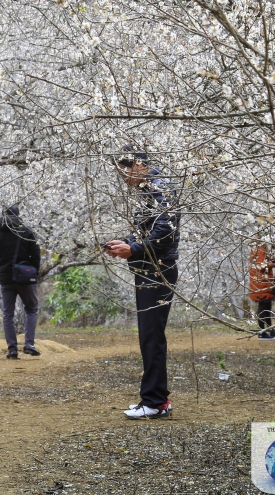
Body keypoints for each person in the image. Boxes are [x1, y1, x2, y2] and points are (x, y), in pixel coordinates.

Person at [104, 146, 180, 420]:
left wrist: (133, 249)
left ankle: (155, 402)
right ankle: (156, 399)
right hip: (149, 268)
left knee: (151, 336)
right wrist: (125, 243)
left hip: (157, 270)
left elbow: (164, 234)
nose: (123, 178)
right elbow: (145, 232)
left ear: (138, 165)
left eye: (124, 171)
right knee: (150, 335)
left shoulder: (160, 189)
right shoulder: (148, 191)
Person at [0, 205, 42, 359]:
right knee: (31, 309)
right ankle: (29, 344)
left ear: (4, 215)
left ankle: (12, 349)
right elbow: (36, 254)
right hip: (25, 277)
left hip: (6, 278)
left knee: (8, 314)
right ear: (18, 215)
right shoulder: (26, 231)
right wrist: (34, 271)